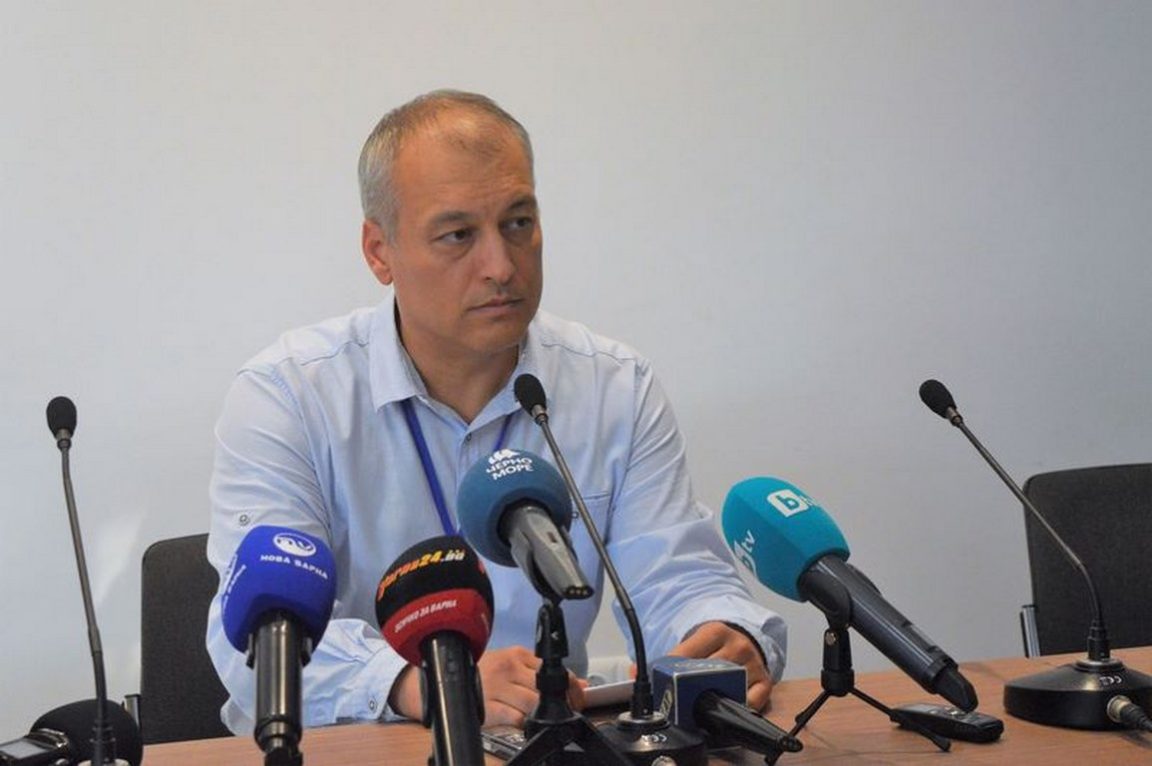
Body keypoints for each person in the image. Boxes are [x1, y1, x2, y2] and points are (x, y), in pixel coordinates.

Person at [205, 89, 786, 732]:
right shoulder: (288, 395)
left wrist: (725, 632)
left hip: (549, 739)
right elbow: (255, 642)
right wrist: (422, 684)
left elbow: (674, 575)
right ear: (379, 251)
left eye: (518, 223)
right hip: (352, 745)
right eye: (458, 235)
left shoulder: (614, 387)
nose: (501, 267)